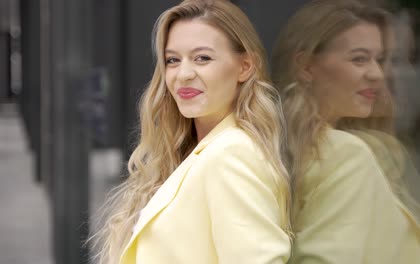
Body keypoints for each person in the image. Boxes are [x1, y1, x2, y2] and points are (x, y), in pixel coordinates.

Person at [92, 1, 292, 263]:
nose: (183, 74)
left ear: (245, 67)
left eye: (202, 58)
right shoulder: (197, 153)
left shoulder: (232, 155)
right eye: (172, 60)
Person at [271, 0, 420, 263]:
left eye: (380, 59)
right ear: (306, 66)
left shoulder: (283, 146)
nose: (377, 74)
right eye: (359, 59)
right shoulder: (347, 154)